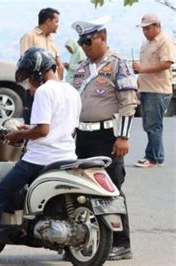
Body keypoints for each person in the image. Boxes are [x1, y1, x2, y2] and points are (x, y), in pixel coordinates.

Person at [0, 47, 81, 264]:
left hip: (40, 159)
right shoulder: (71, 91)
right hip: (67, 156)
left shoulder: (45, 91)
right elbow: (65, 128)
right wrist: (30, 129)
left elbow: (43, 131)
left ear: (37, 72)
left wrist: (19, 133)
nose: (28, 84)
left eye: (28, 77)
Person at [71, 17, 138, 261]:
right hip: (82, 136)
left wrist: (123, 137)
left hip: (107, 136)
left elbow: (129, 102)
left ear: (102, 38)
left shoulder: (119, 65)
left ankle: (121, 243)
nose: (84, 46)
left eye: (88, 41)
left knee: (111, 190)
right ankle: (91, 241)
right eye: (82, 42)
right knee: (81, 190)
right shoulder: (80, 67)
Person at [132, 13, 175, 168]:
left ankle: (154, 158)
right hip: (146, 88)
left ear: (157, 26)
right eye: (143, 29)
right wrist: (138, 82)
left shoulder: (164, 42)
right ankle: (152, 155)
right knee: (149, 124)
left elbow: (166, 63)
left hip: (158, 89)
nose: (145, 31)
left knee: (153, 125)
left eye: (148, 28)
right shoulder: (146, 44)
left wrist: (142, 69)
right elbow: (144, 67)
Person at [20, 7, 65, 124]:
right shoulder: (30, 36)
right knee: (33, 123)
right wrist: (33, 86)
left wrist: (59, 85)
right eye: (56, 21)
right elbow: (26, 64)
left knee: (51, 123)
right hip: (36, 89)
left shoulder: (52, 39)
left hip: (52, 90)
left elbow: (59, 64)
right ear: (48, 21)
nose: (58, 25)